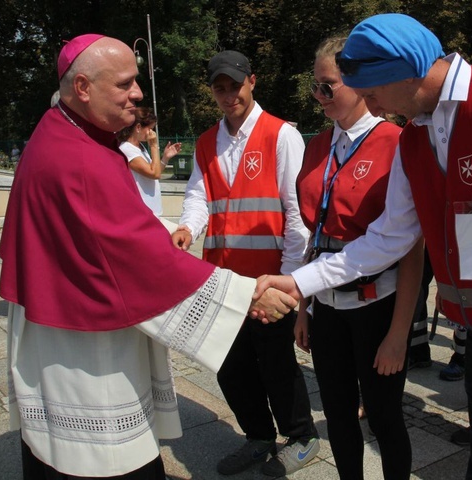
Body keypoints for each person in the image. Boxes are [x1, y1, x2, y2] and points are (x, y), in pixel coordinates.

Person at [256, 13, 472, 479]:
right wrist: (299, 282)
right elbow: (389, 237)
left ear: (404, 68)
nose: (370, 104)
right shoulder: (416, 135)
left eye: (371, 90)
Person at [0, 34, 296, 479]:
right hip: (84, 352)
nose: (137, 93)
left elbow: (122, 232)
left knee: (277, 368)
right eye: (124, 83)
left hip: (263, 268)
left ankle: (297, 433)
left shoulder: (64, 131)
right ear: (82, 87)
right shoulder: (80, 158)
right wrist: (246, 295)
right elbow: (132, 256)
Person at [170, 50, 319, 477]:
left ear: (252, 82)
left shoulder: (281, 135)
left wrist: (290, 280)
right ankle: (257, 437)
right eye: (219, 87)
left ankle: (302, 435)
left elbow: (296, 214)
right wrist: (187, 227)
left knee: (275, 362)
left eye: (234, 85)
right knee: (229, 363)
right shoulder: (206, 141)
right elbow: (199, 196)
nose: (227, 94)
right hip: (220, 278)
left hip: (267, 278)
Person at [294, 36, 423, 479]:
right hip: (327, 305)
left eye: (327, 86)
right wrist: (304, 306)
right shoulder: (317, 146)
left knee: (386, 419)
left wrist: (399, 334)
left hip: (377, 308)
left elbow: (412, 250)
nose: (319, 96)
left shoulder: (396, 142)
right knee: (338, 414)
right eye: (316, 87)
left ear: (356, 83)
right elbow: (314, 231)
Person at [117, 107, 181, 231]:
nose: (152, 133)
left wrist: (165, 158)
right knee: (179, 235)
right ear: (138, 127)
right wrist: (154, 146)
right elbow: (154, 173)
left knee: (180, 235)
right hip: (142, 214)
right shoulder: (127, 149)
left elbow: (154, 171)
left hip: (152, 212)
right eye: (150, 129)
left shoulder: (140, 147)